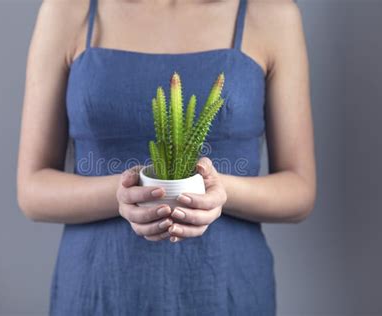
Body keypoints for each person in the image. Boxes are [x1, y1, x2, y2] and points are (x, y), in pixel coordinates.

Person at [17, 0, 316, 314]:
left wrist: (216, 190)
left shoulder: (270, 15)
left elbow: (299, 191)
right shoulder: (68, 11)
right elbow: (32, 189)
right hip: (99, 290)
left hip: (224, 290)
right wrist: (132, 191)